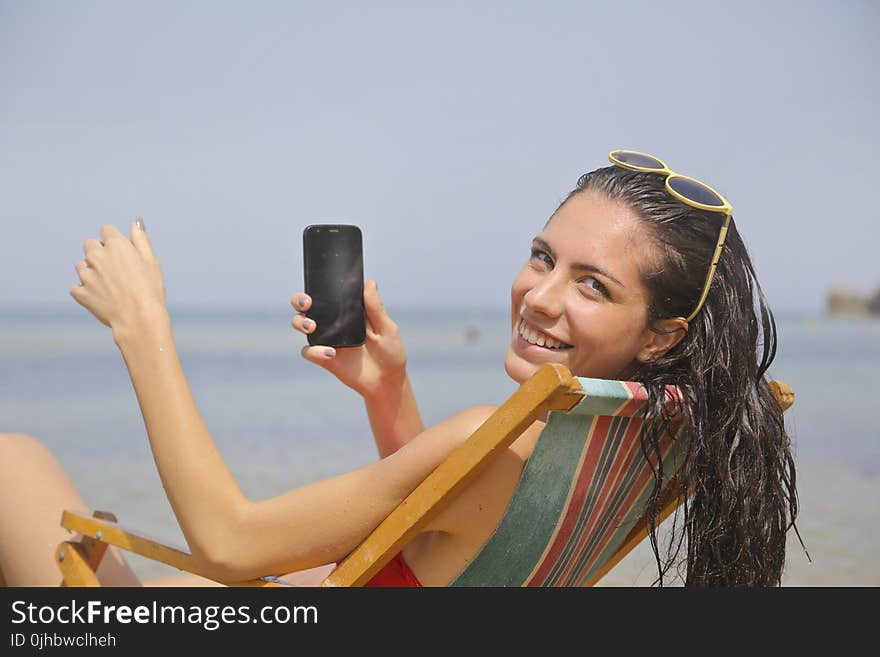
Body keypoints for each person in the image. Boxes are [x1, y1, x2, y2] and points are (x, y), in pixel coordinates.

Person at [0, 150, 801, 587]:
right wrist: (389, 389)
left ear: (661, 335)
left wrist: (143, 327)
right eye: (542, 257)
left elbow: (227, 543)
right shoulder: (651, 435)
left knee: (12, 465)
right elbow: (456, 535)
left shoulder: (503, 440)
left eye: (592, 285)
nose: (538, 297)